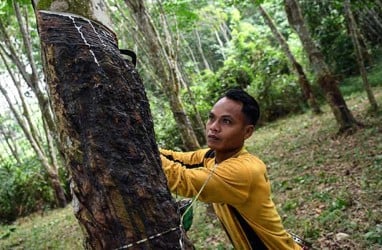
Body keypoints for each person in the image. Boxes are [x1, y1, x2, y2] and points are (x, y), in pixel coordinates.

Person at [160, 89, 302, 249]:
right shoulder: (210, 156)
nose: (213, 127)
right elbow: (173, 157)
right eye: (211, 118)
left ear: (247, 132)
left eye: (226, 121)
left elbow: (180, 178)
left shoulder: (244, 171)